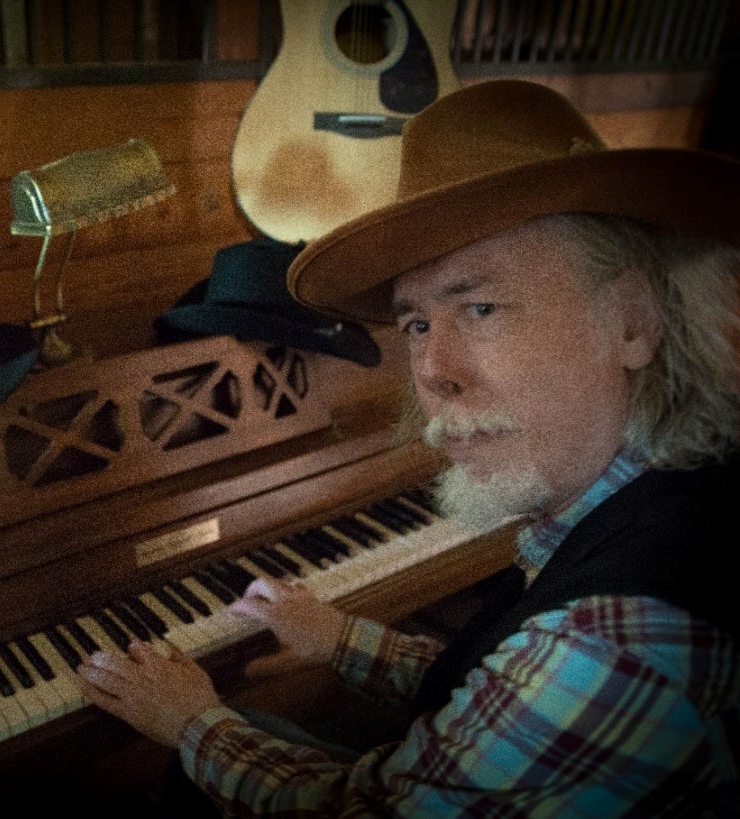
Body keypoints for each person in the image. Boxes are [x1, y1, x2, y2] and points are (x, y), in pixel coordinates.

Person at [75, 79, 740, 816]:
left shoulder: (616, 640)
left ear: (634, 323)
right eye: (417, 323)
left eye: (481, 307)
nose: (433, 372)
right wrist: (342, 638)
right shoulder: (647, 490)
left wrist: (191, 722)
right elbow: (501, 683)